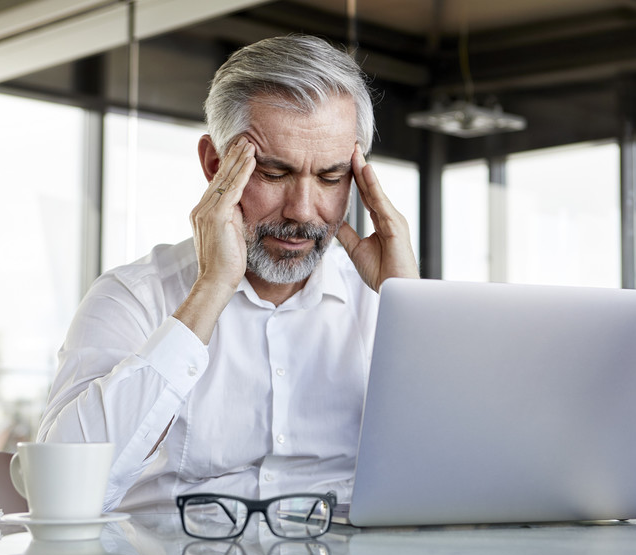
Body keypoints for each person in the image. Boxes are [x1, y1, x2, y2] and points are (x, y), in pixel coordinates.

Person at [38, 34, 418, 512]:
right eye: (274, 174)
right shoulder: (131, 298)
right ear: (215, 165)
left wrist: (407, 304)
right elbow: (59, 493)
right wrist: (212, 288)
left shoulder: (382, 299)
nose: (302, 211)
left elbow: (456, 483)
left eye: (330, 178)